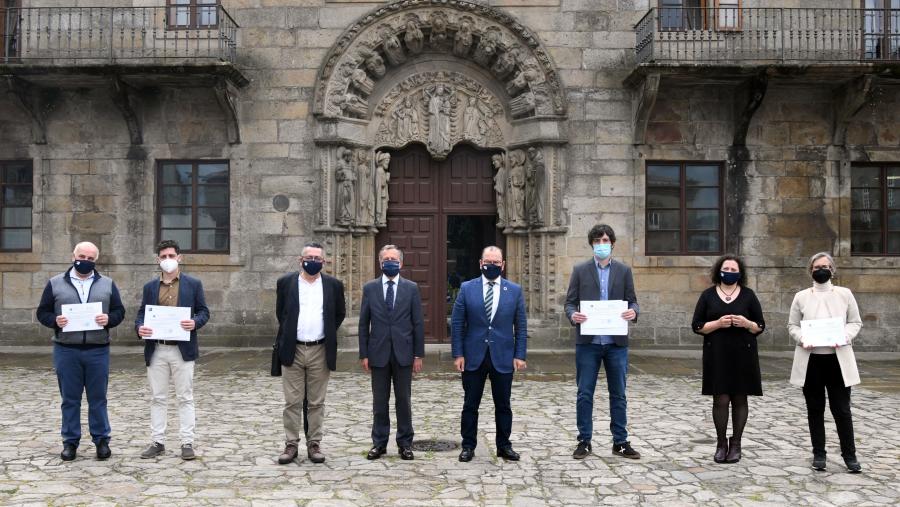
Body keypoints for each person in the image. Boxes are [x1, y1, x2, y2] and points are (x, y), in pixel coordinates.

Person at [36, 241, 126, 461]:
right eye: (82, 256)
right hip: (66, 350)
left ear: (96, 260)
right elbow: (42, 312)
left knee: (98, 398)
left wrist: (109, 319)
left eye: (90, 258)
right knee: (70, 399)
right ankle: (70, 442)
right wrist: (55, 321)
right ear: (73, 256)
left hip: (97, 349)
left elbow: (119, 311)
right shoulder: (55, 283)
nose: (85, 261)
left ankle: (101, 440)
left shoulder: (107, 283)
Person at [564, 224, 640, 460]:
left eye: (605, 240)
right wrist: (572, 315)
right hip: (588, 342)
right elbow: (569, 303)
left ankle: (620, 441)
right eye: (597, 241)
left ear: (612, 243)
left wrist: (633, 313)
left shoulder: (624, 271)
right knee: (584, 393)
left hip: (616, 343)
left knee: (618, 394)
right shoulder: (580, 270)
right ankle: (584, 441)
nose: (602, 244)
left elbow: (633, 302)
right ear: (592, 244)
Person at [135, 240, 210, 460]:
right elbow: (141, 314)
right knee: (157, 397)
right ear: (158, 260)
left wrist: (195, 322)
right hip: (157, 348)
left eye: (171, 256)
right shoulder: (150, 287)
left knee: (185, 396)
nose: (167, 260)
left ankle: (187, 442)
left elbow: (204, 311)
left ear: (179, 257)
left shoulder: (193, 284)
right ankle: (157, 441)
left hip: (182, 349)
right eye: (163, 256)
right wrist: (140, 328)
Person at [788, 252, 863, 473]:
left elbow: (855, 321)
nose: (821, 269)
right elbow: (792, 325)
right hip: (811, 360)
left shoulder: (844, 294)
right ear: (810, 269)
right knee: (815, 409)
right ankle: (819, 454)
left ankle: (849, 455)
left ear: (832, 269)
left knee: (841, 409)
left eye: (826, 266)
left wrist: (845, 336)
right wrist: (802, 338)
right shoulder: (801, 296)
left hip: (838, 360)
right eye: (817, 266)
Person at [451, 246, 527, 462]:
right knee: (470, 404)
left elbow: (521, 325)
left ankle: (504, 446)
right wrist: (458, 354)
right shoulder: (467, 288)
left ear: (503, 265)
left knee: (503, 405)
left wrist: (520, 355)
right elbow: (457, 323)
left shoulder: (514, 290)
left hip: (503, 356)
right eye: (488, 261)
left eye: (496, 262)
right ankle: (468, 446)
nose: (491, 265)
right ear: (480, 263)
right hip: (473, 356)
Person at [274, 242, 346, 464]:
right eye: (309, 258)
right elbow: (281, 313)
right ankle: (291, 444)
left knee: (316, 401)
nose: (313, 262)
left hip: (320, 350)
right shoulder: (286, 283)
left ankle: (314, 443)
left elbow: (339, 315)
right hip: (293, 349)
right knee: (292, 401)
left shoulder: (334, 285)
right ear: (300, 260)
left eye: (318, 259)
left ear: (324, 262)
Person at [691, 254, 765, 464]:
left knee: (740, 398)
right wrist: (717, 324)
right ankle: (721, 443)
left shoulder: (749, 295)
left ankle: (737, 444)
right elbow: (697, 326)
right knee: (721, 398)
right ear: (718, 271)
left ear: (740, 273)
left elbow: (760, 325)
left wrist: (746, 323)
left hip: (743, 354)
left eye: (734, 270)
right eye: (726, 269)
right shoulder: (707, 295)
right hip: (717, 354)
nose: (729, 273)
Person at [358, 245, 425, 460]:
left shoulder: (411, 288)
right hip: (378, 353)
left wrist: (418, 354)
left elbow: (417, 323)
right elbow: (363, 324)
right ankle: (379, 443)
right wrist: (364, 354)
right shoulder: (369, 288)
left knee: (403, 400)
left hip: (404, 353)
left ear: (401, 263)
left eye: (393, 259)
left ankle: (405, 443)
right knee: (380, 402)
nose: (390, 262)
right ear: (380, 262)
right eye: (386, 258)